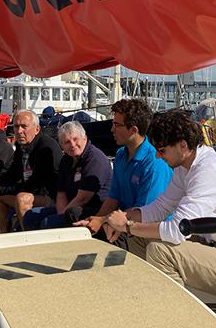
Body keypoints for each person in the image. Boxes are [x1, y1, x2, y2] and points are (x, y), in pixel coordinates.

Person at [104, 110, 216, 302]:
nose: (157, 156)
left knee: (160, 251)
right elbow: (161, 207)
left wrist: (127, 225)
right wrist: (124, 218)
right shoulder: (186, 166)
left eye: (162, 150)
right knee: (138, 238)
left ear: (182, 145)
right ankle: (153, 294)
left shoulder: (208, 171)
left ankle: (179, 318)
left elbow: (176, 231)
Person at [74, 99, 172, 242]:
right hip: (123, 220)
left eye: (116, 125)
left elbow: (143, 212)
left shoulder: (154, 163)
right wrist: (96, 221)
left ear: (133, 130)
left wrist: (103, 221)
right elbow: (114, 196)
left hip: (148, 230)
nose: (111, 129)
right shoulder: (121, 155)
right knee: (75, 215)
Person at [0, 110, 62, 232]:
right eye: (16, 126)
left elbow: (34, 184)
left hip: (49, 196)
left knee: (22, 199)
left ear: (37, 129)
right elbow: (11, 173)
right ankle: (5, 236)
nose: (19, 131)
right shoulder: (21, 147)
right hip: (30, 191)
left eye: (24, 127)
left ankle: (27, 240)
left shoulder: (46, 147)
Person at [23, 120, 111, 230]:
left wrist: (60, 218)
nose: (72, 145)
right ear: (62, 146)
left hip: (92, 209)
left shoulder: (95, 159)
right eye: (67, 142)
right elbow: (61, 193)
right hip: (69, 207)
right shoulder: (67, 160)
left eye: (75, 139)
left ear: (85, 138)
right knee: (30, 217)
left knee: (48, 223)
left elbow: (83, 198)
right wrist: (61, 214)